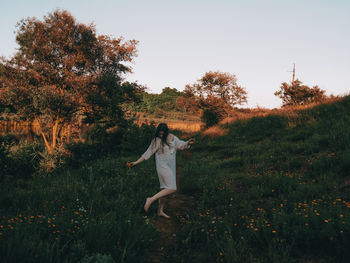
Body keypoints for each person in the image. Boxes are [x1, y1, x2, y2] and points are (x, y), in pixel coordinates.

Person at [129, 123, 195, 219]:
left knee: (164, 188)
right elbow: (147, 153)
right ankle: (150, 199)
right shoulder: (156, 140)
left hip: (171, 166)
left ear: (166, 132)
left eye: (162, 133)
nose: (160, 135)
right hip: (162, 166)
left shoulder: (172, 137)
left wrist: (188, 142)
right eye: (159, 133)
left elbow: (181, 145)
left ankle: (160, 211)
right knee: (172, 188)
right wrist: (136, 162)